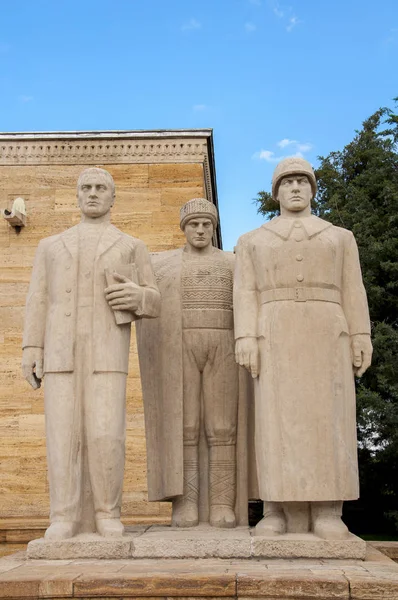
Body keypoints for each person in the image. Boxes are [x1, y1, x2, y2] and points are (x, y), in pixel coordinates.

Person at [234, 157, 372, 539]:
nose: (295, 188)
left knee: (330, 420)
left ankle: (329, 510)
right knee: (275, 420)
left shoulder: (339, 237)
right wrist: (245, 336)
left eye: (302, 181)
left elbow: (353, 289)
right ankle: (275, 508)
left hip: (328, 332)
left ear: (312, 189)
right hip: (273, 333)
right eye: (287, 182)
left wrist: (361, 335)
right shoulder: (253, 241)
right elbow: (244, 292)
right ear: (276, 191)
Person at [22, 167, 160, 540]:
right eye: (87, 187)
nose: (94, 193)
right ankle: (63, 516)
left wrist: (140, 297)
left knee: (105, 433)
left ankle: (105, 513)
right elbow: (38, 298)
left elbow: (154, 298)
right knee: (62, 433)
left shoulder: (130, 245)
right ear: (77, 196)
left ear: (113, 198)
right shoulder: (50, 245)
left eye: (101, 188)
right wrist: (32, 346)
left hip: (106, 352)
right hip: (60, 351)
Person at [137, 198, 254, 528]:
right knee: (186, 427)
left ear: (214, 228)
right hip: (181, 342)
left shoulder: (233, 263)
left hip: (223, 343)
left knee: (222, 428)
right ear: (184, 228)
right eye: (193, 224)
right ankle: (186, 504)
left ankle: (221, 504)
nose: (200, 230)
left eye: (206, 224)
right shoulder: (163, 265)